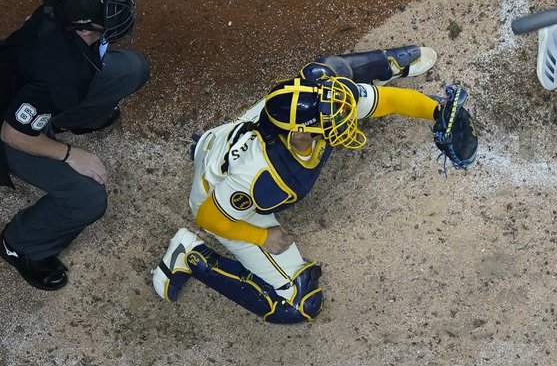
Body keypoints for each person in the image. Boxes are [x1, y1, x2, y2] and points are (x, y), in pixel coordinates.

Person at [152, 46, 477, 324]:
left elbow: (387, 101)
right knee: (299, 305)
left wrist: (436, 111)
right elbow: (209, 218)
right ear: (299, 135)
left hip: (221, 141)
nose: (346, 117)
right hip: (216, 195)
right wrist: (262, 236)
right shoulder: (263, 177)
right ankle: (189, 255)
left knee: (329, 70)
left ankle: (393, 62)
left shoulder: (319, 98)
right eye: (334, 120)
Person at [0, 0, 148, 291]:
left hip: (25, 88)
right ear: (83, 29)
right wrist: (70, 154)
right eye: (106, 19)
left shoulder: (58, 5)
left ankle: (78, 119)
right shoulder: (59, 73)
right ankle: (21, 245)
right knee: (87, 198)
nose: (119, 19)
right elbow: (13, 135)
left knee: (132, 69)